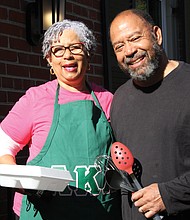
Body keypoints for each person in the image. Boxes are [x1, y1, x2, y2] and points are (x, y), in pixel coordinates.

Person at [0, 19, 121, 220]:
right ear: (49, 59)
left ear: (88, 55)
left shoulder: (108, 100)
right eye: (58, 50)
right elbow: (3, 147)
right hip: (44, 212)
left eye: (76, 47)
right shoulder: (35, 99)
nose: (67, 55)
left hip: (99, 212)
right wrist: (20, 181)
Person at [109, 8, 190, 220]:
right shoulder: (120, 99)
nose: (129, 51)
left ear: (157, 35)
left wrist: (169, 195)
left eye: (135, 38)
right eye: (119, 46)